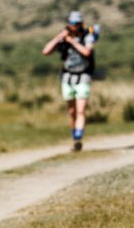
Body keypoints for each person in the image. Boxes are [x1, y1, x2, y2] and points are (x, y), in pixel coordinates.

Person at [41, 10, 98, 151]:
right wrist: (59, 37)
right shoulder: (63, 38)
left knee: (80, 110)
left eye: (78, 23)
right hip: (67, 77)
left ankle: (78, 138)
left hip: (83, 75)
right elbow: (46, 52)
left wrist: (72, 42)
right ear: (69, 24)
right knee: (72, 111)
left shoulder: (87, 36)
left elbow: (87, 52)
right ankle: (74, 136)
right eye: (73, 23)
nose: (75, 26)